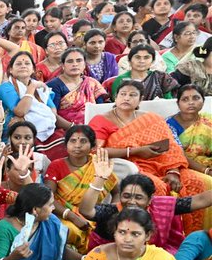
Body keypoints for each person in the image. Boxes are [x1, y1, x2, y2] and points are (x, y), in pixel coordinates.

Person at [91, 79, 212, 235]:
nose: (127, 98)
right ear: (116, 97)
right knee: (156, 188)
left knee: (195, 182)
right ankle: (157, 237)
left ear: (141, 99)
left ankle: (192, 236)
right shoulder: (102, 120)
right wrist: (136, 151)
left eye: (132, 95)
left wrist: (173, 171)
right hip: (131, 166)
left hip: (164, 164)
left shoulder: (151, 119)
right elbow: (97, 151)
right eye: (123, 94)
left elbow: (171, 147)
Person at [45, 126, 117, 249]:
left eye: (83, 141)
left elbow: (118, 190)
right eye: (73, 141)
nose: (77, 145)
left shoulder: (98, 165)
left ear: (92, 146)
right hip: (62, 214)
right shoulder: (56, 166)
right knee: (69, 230)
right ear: (66, 144)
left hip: (93, 214)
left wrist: (110, 212)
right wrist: (71, 216)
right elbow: (48, 197)